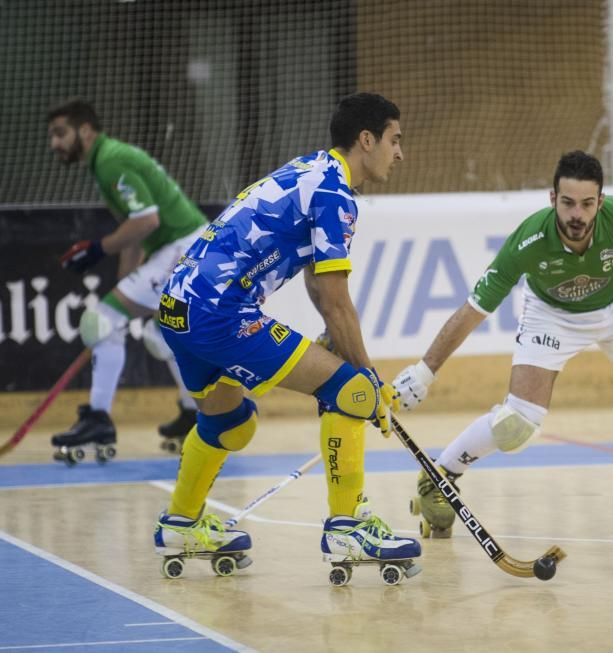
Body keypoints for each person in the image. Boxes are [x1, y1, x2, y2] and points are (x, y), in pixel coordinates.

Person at [393, 150, 613, 536]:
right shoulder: (528, 241)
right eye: (568, 202)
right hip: (551, 316)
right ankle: (439, 477)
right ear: (552, 198)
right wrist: (424, 372)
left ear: (600, 202)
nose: (577, 214)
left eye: (587, 204)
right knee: (516, 426)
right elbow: (472, 310)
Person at [152, 92, 421, 579]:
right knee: (352, 392)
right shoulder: (335, 193)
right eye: (394, 140)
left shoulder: (313, 169)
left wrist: (336, 340)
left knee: (230, 421)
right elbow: (338, 300)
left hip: (178, 307)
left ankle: (182, 524)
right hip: (220, 312)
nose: (400, 153)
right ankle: (347, 527)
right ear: (367, 140)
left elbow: (319, 280)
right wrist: (369, 378)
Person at [46, 98, 203, 457]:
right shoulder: (106, 160)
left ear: (85, 131)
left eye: (60, 133)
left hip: (183, 247)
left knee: (100, 320)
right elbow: (135, 233)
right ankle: (195, 413)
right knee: (159, 332)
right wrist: (122, 285)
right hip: (184, 246)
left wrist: (99, 249)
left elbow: (147, 222)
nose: (54, 143)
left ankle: (99, 418)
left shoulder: (111, 160)